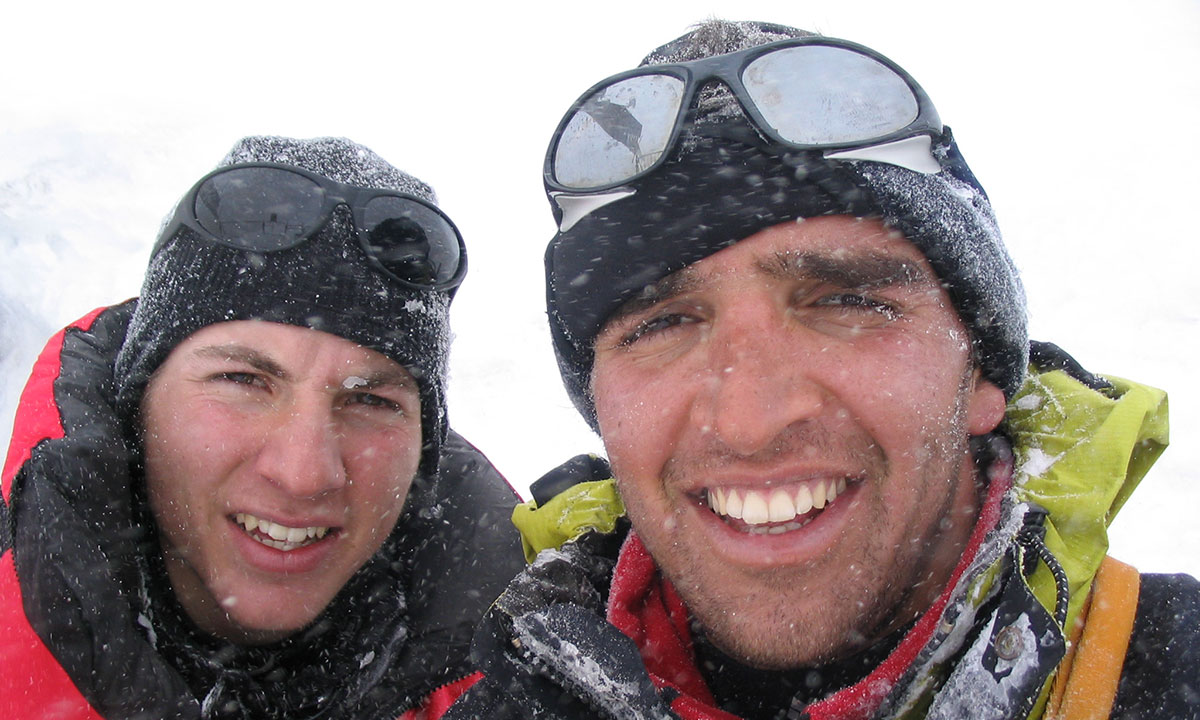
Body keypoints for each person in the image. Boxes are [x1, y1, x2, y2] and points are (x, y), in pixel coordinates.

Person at [440, 20, 1199, 720]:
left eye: (848, 301)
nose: (751, 419)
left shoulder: (1167, 673)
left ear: (984, 376)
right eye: (664, 323)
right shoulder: (508, 694)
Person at [0, 136, 525, 719]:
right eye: (245, 381)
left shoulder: (514, 678)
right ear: (137, 403)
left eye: (372, 401)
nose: (304, 474)